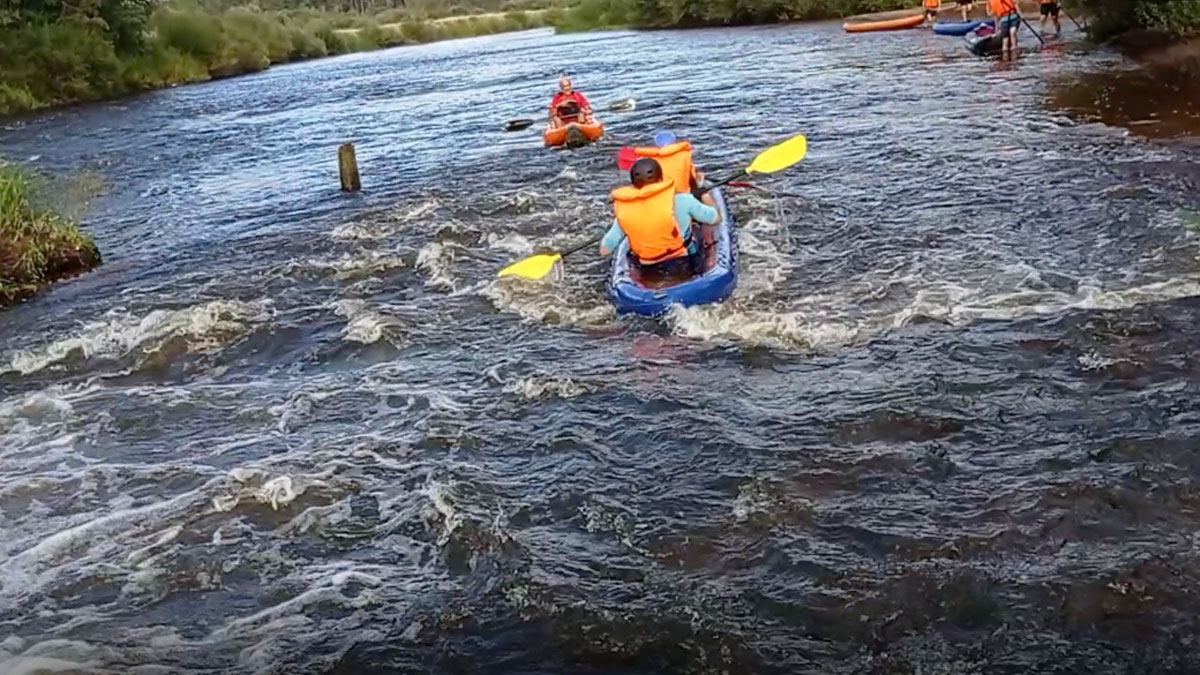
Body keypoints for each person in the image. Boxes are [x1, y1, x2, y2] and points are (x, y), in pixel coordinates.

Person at [599, 158, 722, 278]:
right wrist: (703, 193)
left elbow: (605, 250)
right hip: (684, 263)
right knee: (699, 231)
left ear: (634, 185)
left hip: (648, 269)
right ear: (661, 178)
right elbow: (716, 218)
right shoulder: (684, 200)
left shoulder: (625, 212)